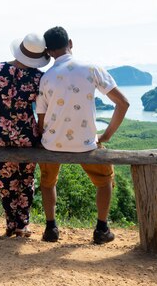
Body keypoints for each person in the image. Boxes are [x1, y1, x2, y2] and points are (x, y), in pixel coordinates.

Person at [36, 26, 129, 244]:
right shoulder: (91, 68)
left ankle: (51, 229)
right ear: (70, 43)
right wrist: (105, 136)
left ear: (48, 51)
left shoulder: (46, 77)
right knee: (104, 181)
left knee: (48, 183)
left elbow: (41, 117)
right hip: (86, 143)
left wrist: (44, 138)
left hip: (51, 144)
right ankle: (101, 229)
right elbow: (123, 103)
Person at [0, 32, 50, 237]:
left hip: (0, 133)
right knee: (26, 179)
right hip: (27, 134)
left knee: (5, 180)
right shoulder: (39, 78)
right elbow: (42, 111)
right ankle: (22, 225)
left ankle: (10, 224)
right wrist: (42, 135)